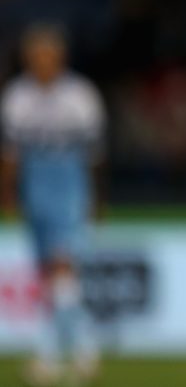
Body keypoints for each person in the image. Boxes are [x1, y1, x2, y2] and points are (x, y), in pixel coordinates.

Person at [0, 24, 105, 386]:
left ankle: (51, 354)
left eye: (47, 56)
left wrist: (96, 197)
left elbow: (95, 155)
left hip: (69, 183)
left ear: (60, 58)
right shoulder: (17, 97)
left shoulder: (80, 96)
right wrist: (9, 192)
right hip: (35, 184)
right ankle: (82, 347)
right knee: (49, 273)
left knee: (62, 267)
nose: (41, 63)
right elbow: (10, 153)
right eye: (35, 57)